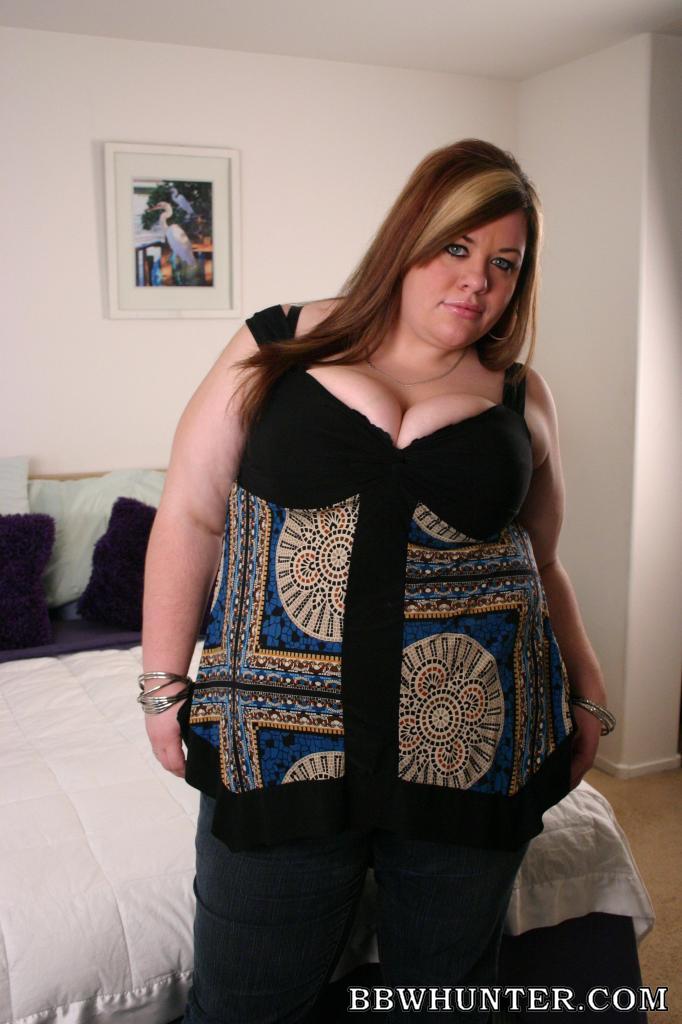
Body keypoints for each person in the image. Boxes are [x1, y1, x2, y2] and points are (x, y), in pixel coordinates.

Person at [139, 138, 615, 1023]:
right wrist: (162, 683)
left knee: (444, 998)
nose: (477, 280)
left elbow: (543, 558)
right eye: (457, 247)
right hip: (280, 748)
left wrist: (587, 690)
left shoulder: (519, 393)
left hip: (469, 751)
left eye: (505, 263)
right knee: (244, 1003)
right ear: (409, 238)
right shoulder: (278, 342)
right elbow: (193, 514)